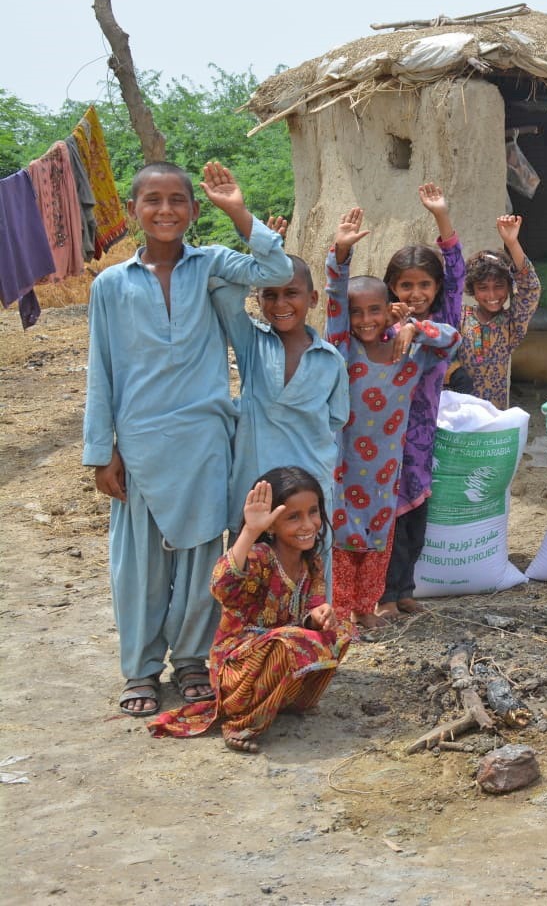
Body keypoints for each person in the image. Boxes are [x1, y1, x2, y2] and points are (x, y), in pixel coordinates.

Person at [84, 161, 293, 717]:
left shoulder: (212, 267)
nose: (166, 211)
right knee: (139, 566)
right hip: (139, 444)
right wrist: (100, 451)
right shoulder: (110, 285)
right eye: (152, 200)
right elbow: (100, 369)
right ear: (133, 212)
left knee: (203, 558)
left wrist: (236, 209)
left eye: (178, 200)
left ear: (193, 210)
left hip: (204, 440)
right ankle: (141, 668)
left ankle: (193, 660)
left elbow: (273, 266)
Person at [149, 468, 348, 753]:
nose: (308, 524)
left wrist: (319, 616)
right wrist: (250, 531)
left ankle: (287, 700)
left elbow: (312, 608)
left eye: (313, 512)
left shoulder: (312, 562)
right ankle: (242, 723)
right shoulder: (259, 557)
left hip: (281, 657)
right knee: (287, 641)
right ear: (271, 525)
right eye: (293, 516)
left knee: (340, 633)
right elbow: (221, 585)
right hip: (239, 671)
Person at [326, 208, 459, 631]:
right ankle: (345, 612)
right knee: (345, 538)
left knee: (381, 537)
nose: (366, 320)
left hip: (388, 469)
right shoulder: (345, 350)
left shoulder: (410, 356)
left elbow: (452, 336)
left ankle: (370, 605)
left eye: (375, 312)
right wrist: (341, 254)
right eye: (358, 313)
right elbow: (335, 302)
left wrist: (415, 327)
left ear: (390, 310)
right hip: (344, 466)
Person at [209, 215, 349, 577]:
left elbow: (336, 418)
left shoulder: (330, 360)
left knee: (311, 573)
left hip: (309, 488)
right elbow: (222, 289)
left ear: (313, 298)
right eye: (269, 293)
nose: (280, 303)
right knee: (249, 574)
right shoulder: (251, 342)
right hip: (255, 487)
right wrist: (263, 254)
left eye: (291, 292)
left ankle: (308, 636)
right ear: (258, 296)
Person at [381, 183, 465, 619]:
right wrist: (395, 324)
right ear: (391, 287)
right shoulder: (378, 323)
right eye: (405, 285)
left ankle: (406, 587)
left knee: (416, 515)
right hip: (379, 438)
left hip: (420, 438)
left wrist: (442, 218)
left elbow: (457, 275)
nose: (415, 293)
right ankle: (385, 596)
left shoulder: (442, 322)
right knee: (388, 516)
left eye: (424, 284)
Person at [451, 214, 540, 409]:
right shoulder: (459, 317)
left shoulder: (512, 324)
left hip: (495, 418)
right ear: (472, 290)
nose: (492, 295)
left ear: (509, 287)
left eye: (499, 286)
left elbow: (530, 288)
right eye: (483, 287)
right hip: (459, 414)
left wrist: (512, 242)